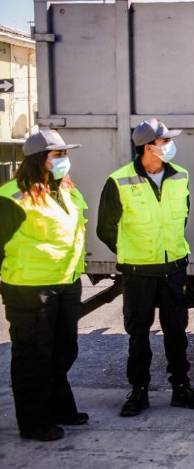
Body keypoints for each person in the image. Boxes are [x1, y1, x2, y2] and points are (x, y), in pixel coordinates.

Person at [97, 119, 194, 417]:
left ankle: (181, 388)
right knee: (138, 334)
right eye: (165, 141)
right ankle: (139, 391)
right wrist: (133, 253)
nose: (170, 146)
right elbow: (105, 229)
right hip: (138, 272)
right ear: (148, 148)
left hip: (173, 268)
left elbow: (180, 218)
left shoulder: (180, 176)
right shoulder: (118, 181)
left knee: (176, 331)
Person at [0, 129, 88, 441]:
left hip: (66, 282)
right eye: (58, 155)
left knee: (63, 351)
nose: (65, 160)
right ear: (40, 160)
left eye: (65, 153)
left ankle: (59, 407)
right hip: (29, 288)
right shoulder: (13, 197)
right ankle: (34, 422)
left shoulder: (65, 190)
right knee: (32, 357)